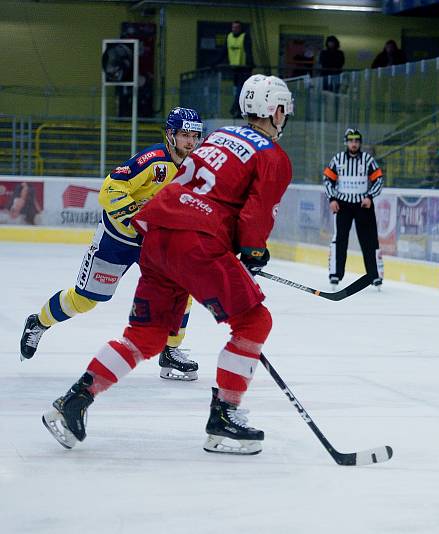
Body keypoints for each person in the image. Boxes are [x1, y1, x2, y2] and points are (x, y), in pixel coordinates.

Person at [42, 75, 294, 455]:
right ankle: (224, 419)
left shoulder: (220, 137)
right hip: (196, 242)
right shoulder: (273, 156)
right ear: (277, 111)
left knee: (147, 335)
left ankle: (72, 402)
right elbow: (255, 217)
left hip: (156, 236)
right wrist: (253, 252)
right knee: (255, 321)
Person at [20, 107, 204, 381]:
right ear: (170, 135)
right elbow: (111, 188)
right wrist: (137, 222)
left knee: (180, 287)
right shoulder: (153, 161)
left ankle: (170, 351)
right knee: (85, 300)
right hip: (116, 240)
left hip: (152, 245)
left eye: (195, 135)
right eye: (184, 135)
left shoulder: (195, 169)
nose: (190, 142)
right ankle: (39, 322)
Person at [324, 128, 385, 289]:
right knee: (340, 239)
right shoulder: (338, 160)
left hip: (362, 205)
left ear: (360, 143)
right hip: (343, 205)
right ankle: (335, 274)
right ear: (346, 142)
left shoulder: (367, 160)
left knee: (369, 240)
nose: (354, 143)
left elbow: (378, 179)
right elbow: (327, 179)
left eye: (357, 140)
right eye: (351, 140)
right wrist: (332, 198)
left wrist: (370, 196)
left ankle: (375, 276)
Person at [226, 21, 253, 118]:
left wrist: (250, 64)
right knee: (237, 90)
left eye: (237, 27)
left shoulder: (244, 37)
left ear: (240, 29)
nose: (235, 29)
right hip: (234, 68)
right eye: (233, 27)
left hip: (244, 68)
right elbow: (224, 51)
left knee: (241, 89)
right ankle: (237, 109)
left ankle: (236, 109)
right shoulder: (229, 37)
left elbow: (248, 51)